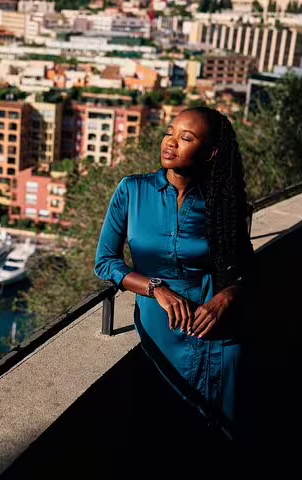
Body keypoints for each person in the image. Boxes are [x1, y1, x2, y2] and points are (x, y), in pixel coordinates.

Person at [94, 106, 255, 434]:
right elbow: (105, 262)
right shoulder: (132, 190)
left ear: (210, 153)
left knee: (218, 438)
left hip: (217, 335)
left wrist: (226, 297)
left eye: (186, 138)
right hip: (160, 333)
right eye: (170, 132)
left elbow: (246, 270)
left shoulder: (220, 203)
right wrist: (156, 288)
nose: (171, 142)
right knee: (162, 435)